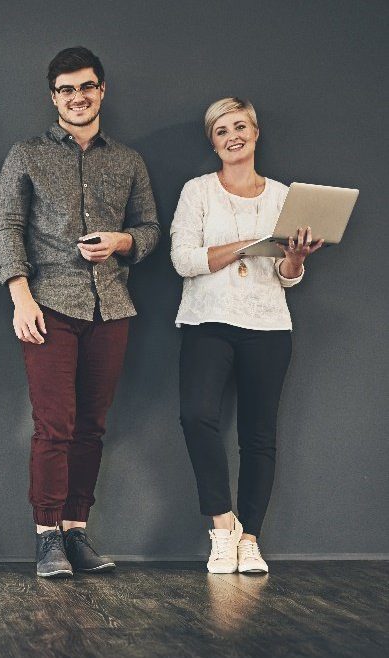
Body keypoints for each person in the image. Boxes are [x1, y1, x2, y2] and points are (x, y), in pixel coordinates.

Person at [0, 46, 159, 577]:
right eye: (66, 89)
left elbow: (151, 230)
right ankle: (47, 538)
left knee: (92, 427)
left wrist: (122, 241)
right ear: (53, 97)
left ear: (101, 90)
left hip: (111, 307)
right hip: (49, 306)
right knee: (54, 426)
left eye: (86, 86)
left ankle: (75, 531)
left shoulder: (128, 160)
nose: (78, 97)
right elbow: (7, 229)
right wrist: (21, 296)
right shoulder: (27, 154)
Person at [171, 97, 321, 575]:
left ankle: (250, 537)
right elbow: (184, 260)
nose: (232, 135)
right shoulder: (197, 191)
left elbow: (285, 275)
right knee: (196, 415)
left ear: (255, 133)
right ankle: (222, 527)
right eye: (221, 130)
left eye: (240, 126)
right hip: (207, 321)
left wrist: (295, 259)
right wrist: (247, 246)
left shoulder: (282, 196)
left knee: (260, 436)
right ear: (212, 142)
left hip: (268, 325)